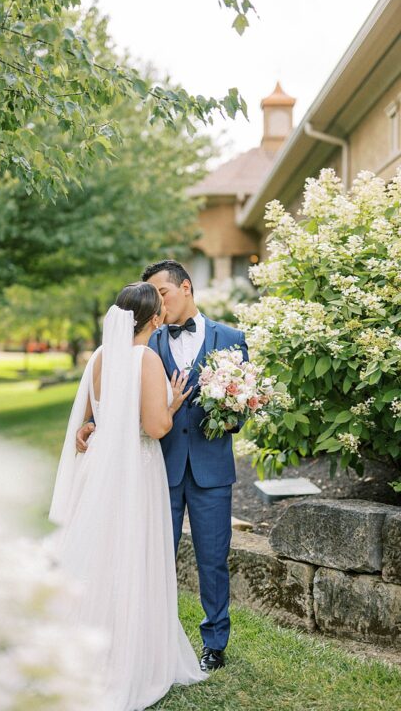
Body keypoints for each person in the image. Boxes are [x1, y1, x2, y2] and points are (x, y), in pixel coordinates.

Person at [77, 260, 248, 672]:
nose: (159, 304)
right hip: (156, 468)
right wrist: (92, 421)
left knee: (213, 560)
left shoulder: (230, 338)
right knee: (151, 558)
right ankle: (149, 641)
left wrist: (230, 406)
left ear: (186, 288)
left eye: (163, 293)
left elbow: (242, 412)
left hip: (210, 469)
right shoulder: (145, 341)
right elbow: (122, 394)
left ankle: (214, 643)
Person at [48, 283, 206, 710]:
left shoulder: (99, 358)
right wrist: (172, 403)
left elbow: (91, 416)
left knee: (97, 556)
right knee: (133, 555)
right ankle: (127, 656)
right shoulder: (146, 359)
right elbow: (155, 428)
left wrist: (88, 427)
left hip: (97, 468)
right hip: (135, 469)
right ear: (154, 320)